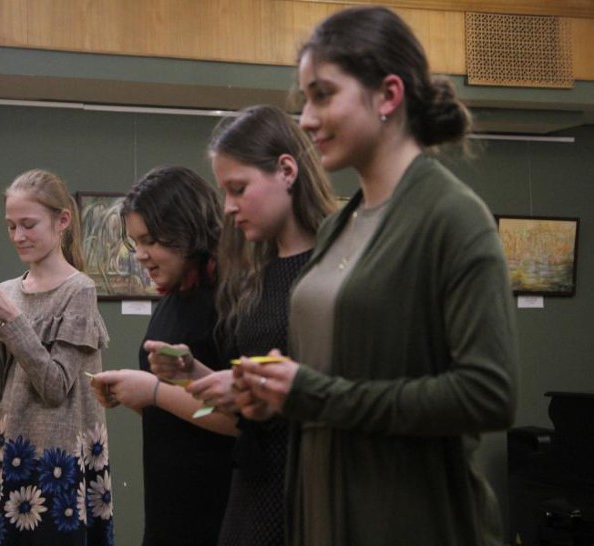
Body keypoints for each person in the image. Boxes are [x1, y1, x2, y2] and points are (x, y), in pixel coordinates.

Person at [234, 7, 519, 546]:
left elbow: (489, 394)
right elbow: (331, 377)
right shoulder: (339, 225)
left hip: (410, 521)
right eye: (305, 100)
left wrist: (317, 395)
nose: (306, 120)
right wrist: (274, 394)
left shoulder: (453, 218)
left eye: (322, 95)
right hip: (323, 516)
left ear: (388, 95)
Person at [148, 105, 337, 546]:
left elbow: (343, 388)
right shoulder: (257, 276)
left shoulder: (336, 267)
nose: (229, 208)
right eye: (224, 192)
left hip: (312, 488)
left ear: (287, 171)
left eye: (238, 189)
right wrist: (197, 375)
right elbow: (258, 398)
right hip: (254, 485)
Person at [0, 169, 114, 546]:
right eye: (11, 226)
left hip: (56, 462)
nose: (18, 236)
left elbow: (55, 387)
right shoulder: (9, 290)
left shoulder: (79, 290)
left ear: (62, 221)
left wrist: (14, 321)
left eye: (28, 224)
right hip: (6, 455)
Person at [91, 166, 236, 546]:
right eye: (135, 242)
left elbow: (239, 421)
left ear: (187, 230)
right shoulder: (173, 298)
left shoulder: (229, 300)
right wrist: (134, 394)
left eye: (151, 240)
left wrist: (153, 392)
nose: (141, 255)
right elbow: (182, 411)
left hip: (216, 513)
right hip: (169, 510)